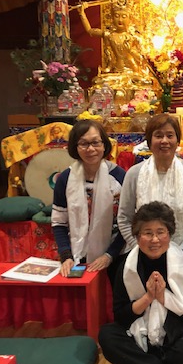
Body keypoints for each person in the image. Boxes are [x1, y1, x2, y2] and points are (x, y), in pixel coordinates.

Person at [99, 202, 183, 364]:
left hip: (174, 332)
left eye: (160, 232)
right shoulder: (126, 266)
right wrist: (148, 298)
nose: (154, 239)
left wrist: (164, 298)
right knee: (107, 336)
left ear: (169, 234)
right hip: (138, 329)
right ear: (137, 237)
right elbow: (120, 317)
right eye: (147, 233)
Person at [118, 114, 183, 257]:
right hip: (142, 255)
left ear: (177, 140)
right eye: (158, 136)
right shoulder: (134, 174)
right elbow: (124, 218)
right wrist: (141, 247)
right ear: (149, 141)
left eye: (170, 135)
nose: (165, 141)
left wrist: (181, 252)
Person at [52, 119, 125, 282]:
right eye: (83, 144)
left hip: (116, 253)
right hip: (77, 254)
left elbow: (128, 223)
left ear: (104, 144)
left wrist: (110, 255)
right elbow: (59, 223)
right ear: (75, 147)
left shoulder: (119, 177)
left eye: (95, 142)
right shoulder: (65, 179)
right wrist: (66, 255)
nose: (90, 149)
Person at [77, 0, 151, 86]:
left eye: (124, 17)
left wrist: (131, 51)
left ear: (130, 18)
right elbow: (90, 31)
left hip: (132, 73)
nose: (120, 20)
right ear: (112, 17)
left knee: (145, 82)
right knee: (97, 81)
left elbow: (143, 60)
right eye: (117, 16)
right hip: (116, 73)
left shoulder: (133, 36)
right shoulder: (109, 34)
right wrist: (82, 13)